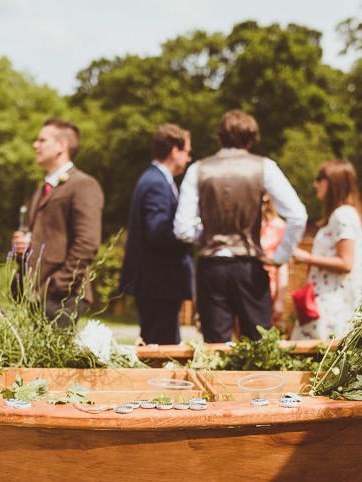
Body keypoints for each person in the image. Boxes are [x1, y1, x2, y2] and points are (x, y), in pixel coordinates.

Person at [174, 110, 307, 342]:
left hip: (211, 268)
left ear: (219, 137)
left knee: (215, 350)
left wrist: (208, 236)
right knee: (258, 348)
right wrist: (280, 257)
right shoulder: (265, 167)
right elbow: (297, 214)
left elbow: (182, 229)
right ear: (251, 138)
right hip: (249, 268)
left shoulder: (197, 169)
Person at [12, 118, 103, 326]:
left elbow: (87, 243)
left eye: (42, 140)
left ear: (62, 146)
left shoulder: (84, 185)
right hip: (35, 295)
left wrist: (56, 286)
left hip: (62, 298)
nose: (35, 145)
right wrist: (24, 247)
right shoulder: (42, 189)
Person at [119, 123, 194, 344]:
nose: (189, 159)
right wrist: (192, 234)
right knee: (162, 349)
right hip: (159, 282)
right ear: (174, 150)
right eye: (187, 152)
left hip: (157, 283)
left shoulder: (156, 180)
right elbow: (158, 233)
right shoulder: (156, 184)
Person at [291, 160, 362, 339]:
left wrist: (306, 258)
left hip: (332, 310)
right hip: (327, 306)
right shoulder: (344, 214)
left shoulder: (343, 215)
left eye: (320, 178)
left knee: (314, 361)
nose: (315, 184)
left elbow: (347, 262)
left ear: (334, 182)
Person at [260, 193, 289, 328]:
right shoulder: (245, 225)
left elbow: (283, 266)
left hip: (268, 290)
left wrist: (280, 300)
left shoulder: (279, 226)